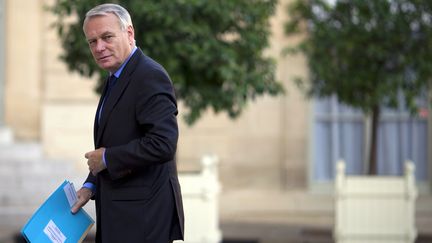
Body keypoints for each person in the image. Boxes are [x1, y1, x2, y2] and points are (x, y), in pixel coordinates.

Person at [70, 3, 184, 243]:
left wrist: (108, 158)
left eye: (107, 37)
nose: (99, 47)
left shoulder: (149, 75)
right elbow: (116, 142)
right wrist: (90, 185)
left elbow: (163, 144)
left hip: (144, 220)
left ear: (129, 33)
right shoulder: (116, 76)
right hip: (121, 216)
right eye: (92, 41)